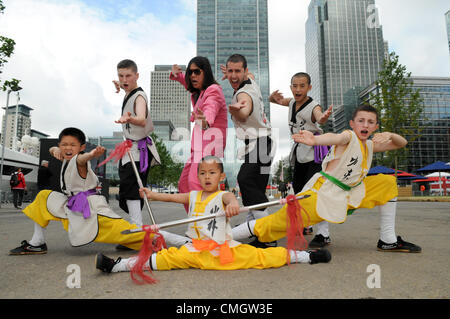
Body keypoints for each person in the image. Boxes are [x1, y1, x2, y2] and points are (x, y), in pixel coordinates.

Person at [231, 104, 422, 253]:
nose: (365, 125)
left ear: (376, 127)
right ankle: (223, 236)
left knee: (386, 182)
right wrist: (315, 141)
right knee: (275, 224)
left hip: (350, 192)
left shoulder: (370, 145)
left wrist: (391, 135)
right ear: (352, 124)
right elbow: (335, 137)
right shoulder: (348, 136)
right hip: (323, 194)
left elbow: (400, 144)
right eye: (361, 121)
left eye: (370, 122)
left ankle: (388, 240)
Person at [95, 156, 331, 274]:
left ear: (220, 178)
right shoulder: (194, 195)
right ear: (198, 176)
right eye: (203, 173)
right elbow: (173, 197)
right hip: (195, 250)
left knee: (263, 257)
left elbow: (231, 200)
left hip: (223, 251)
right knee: (161, 260)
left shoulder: (223, 195)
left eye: (212, 173)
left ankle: (305, 257)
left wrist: (232, 206)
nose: (207, 177)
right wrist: (151, 194)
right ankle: (116, 266)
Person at [9, 127, 185, 255]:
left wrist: (92, 155)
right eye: (64, 145)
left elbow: (83, 159)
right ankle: (37, 242)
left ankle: (182, 241)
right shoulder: (65, 155)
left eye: (72, 145)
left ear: (82, 147)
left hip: (93, 212)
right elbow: (54, 149)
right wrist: (55, 149)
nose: (68, 148)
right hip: (72, 205)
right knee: (44, 197)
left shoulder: (80, 159)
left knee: (134, 234)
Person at [269, 72, 332, 238]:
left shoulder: (314, 106)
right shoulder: (291, 103)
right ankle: (306, 224)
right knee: (298, 190)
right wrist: (271, 97)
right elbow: (276, 101)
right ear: (291, 88)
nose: (298, 89)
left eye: (302, 86)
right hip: (299, 152)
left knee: (314, 191)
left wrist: (323, 118)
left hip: (315, 152)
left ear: (309, 88)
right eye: (295, 86)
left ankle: (323, 233)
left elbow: (319, 117)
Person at [224, 54, 274, 247]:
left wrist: (238, 110)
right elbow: (246, 75)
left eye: (238, 71)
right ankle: (256, 229)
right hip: (263, 142)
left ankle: (267, 234)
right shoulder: (252, 81)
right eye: (230, 71)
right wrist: (235, 75)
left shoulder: (242, 95)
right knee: (256, 189)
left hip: (260, 143)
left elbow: (245, 111)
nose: (233, 75)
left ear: (245, 71)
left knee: (245, 180)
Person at [170, 57, 228, 212]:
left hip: (209, 147)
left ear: (206, 72)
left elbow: (211, 106)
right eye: (190, 72)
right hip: (198, 148)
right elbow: (185, 80)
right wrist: (177, 75)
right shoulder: (197, 91)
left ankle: (206, 222)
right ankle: (196, 218)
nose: (193, 76)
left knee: (196, 183)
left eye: (197, 72)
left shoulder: (213, 90)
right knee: (184, 184)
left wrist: (206, 120)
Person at [113, 59, 161, 227]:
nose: (124, 80)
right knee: (127, 190)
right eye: (121, 76)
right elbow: (125, 90)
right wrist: (118, 87)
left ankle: (138, 230)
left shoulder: (139, 96)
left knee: (133, 189)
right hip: (130, 149)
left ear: (137, 76)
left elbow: (141, 119)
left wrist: (130, 118)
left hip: (139, 149)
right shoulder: (128, 91)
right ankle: (136, 227)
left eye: (128, 76)